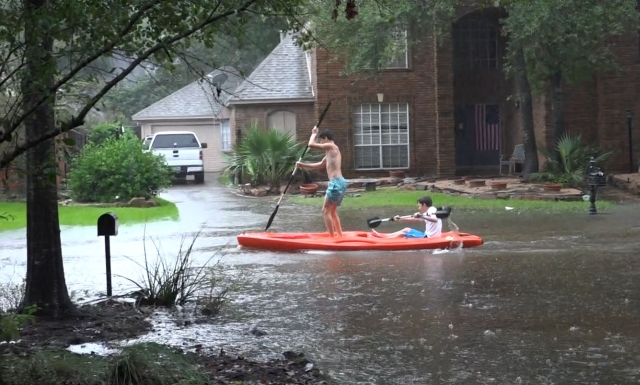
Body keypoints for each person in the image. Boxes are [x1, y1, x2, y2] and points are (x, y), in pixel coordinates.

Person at [296, 127, 347, 237]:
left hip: (336, 183)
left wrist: (314, 134)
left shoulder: (331, 146)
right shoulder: (330, 152)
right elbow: (319, 165)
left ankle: (332, 237)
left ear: (325, 138)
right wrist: (302, 165)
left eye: (321, 140)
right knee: (332, 212)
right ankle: (339, 235)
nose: (321, 143)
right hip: (340, 182)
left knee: (325, 211)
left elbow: (311, 145)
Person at [372, 196, 442, 238]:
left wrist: (421, 216)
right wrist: (400, 219)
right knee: (407, 229)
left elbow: (435, 220)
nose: (418, 208)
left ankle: (383, 238)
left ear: (424, 204)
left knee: (402, 234)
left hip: (429, 237)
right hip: (426, 235)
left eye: (419, 206)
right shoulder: (427, 212)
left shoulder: (432, 210)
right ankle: (384, 236)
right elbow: (414, 219)